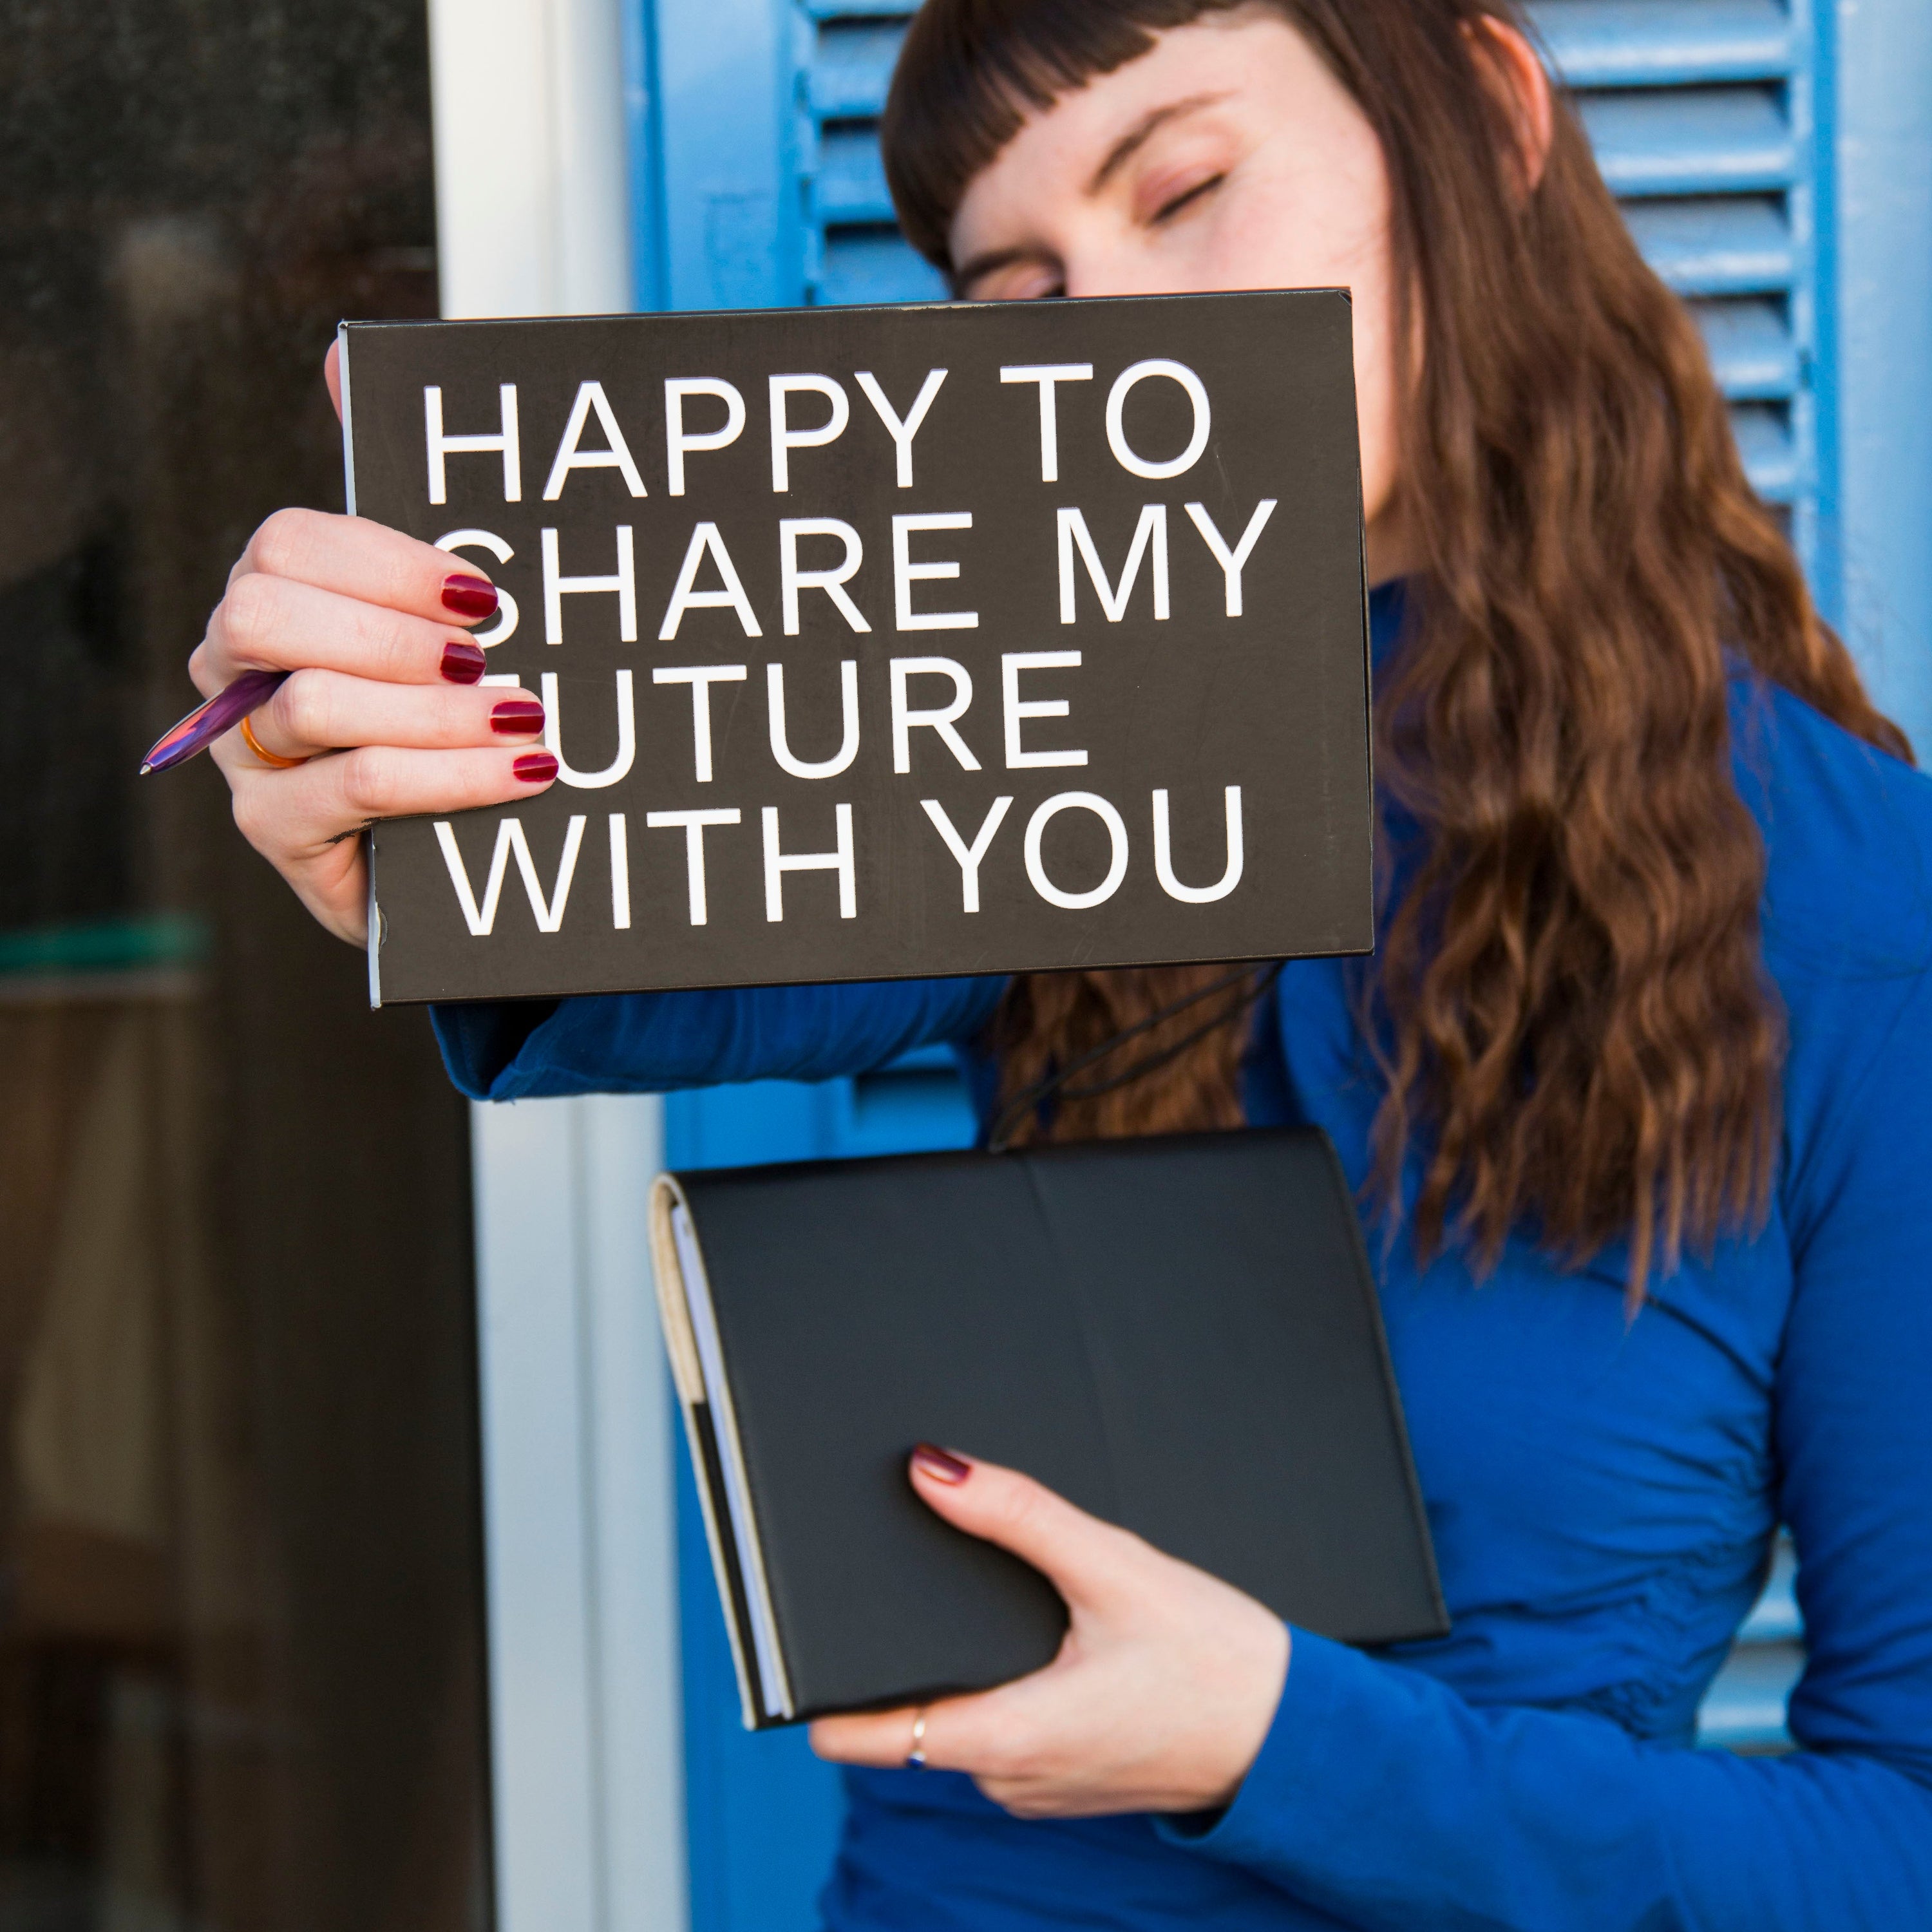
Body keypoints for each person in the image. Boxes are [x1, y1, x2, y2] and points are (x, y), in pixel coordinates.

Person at [187, 0, 1932, 1923]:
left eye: (1184, 187)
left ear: (1494, 115)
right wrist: (394, 812)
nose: (1113, 329)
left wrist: (1274, 1737)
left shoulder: (1862, 926)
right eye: (1018, 292)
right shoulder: (1029, 732)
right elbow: (629, 923)